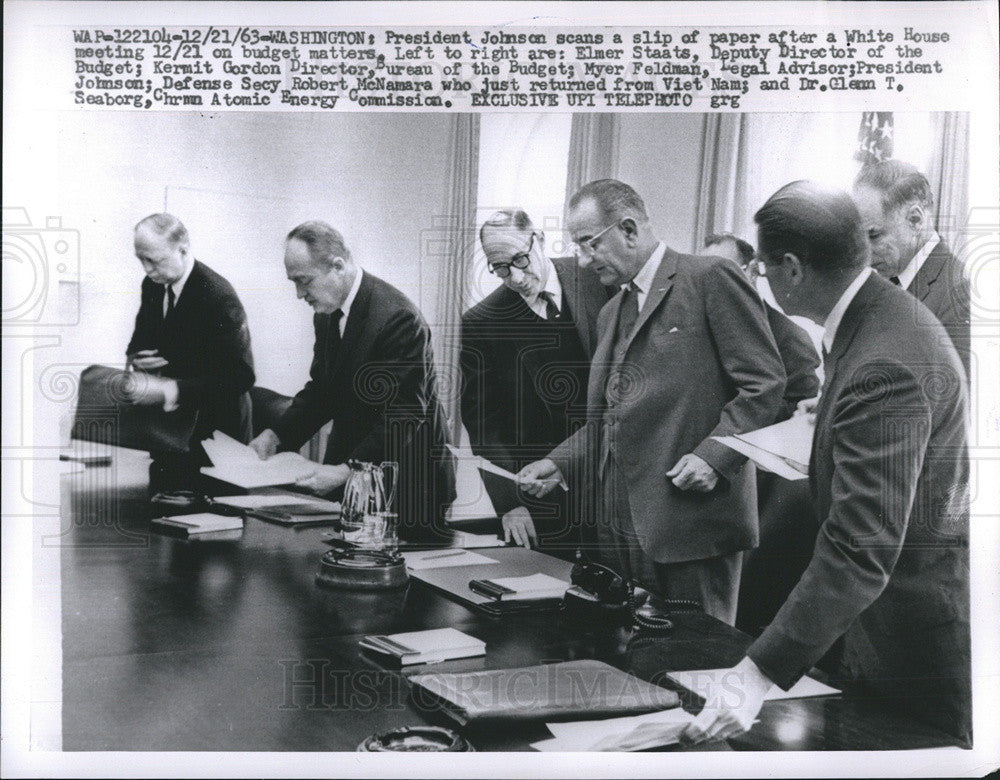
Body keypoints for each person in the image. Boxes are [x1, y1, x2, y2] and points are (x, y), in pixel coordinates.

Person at [683, 181, 970, 746]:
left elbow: (860, 546)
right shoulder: (878, 317)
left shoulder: (884, 357)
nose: (761, 283)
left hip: (908, 646)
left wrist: (754, 675)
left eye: (761, 271)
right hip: (876, 624)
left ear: (791, 269)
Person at [519, 180, 786, 624]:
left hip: (692, 528)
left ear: (628, 229)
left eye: (589, 243)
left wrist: (716, 457)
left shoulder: (709, 279)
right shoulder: (611, 313)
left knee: (698, 666)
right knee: (637, 669)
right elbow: (615, 419)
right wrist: (562, 461)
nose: (582, 260)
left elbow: (764, 383)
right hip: (620, 536)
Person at [249, 221, 456, 541]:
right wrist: (278, 434)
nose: (299, 294)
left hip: (408, 481)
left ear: (338, 266)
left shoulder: (397, 317)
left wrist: (347, 470)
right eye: (294, 282)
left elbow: (403, 415)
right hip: (357, 469)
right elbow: (322, 390)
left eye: (304, 281)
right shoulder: (327, 313)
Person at [460, 209, 612, 554]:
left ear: (539, 240)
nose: (513, 276)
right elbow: (484, 423)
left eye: (520, 259)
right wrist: (509, 502)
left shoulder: (597, 278)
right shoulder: (481, 323)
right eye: (500, 267)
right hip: (541, 497)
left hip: (613, 483)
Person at [699, 232, 821, 635]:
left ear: (752, 273)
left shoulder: (790, 337)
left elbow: (800, 423)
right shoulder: (701, 330)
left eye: (726, 273)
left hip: (766, 492)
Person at [125, 213, 255, 487]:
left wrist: (171, 389)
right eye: (141, 259)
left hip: (217, 434)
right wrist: (138, 358)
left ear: (182, 250)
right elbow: (140, 338)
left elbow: (240, 377)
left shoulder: (218, 296)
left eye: (154, 260)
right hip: (170, 431)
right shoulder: (153, 284)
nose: (146, 269)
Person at [852, 159, 971, 376]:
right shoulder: (882, 283)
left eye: (874, 235)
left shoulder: (960, 293)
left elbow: (954, 404)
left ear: (915, 219)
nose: (866, 255)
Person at [700, 233, 820, 419]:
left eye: (720, 274)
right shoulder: (697, 327)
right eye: (700, 277)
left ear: (751, 272)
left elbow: (799, 413)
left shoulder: (791, 338)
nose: (706, 286)